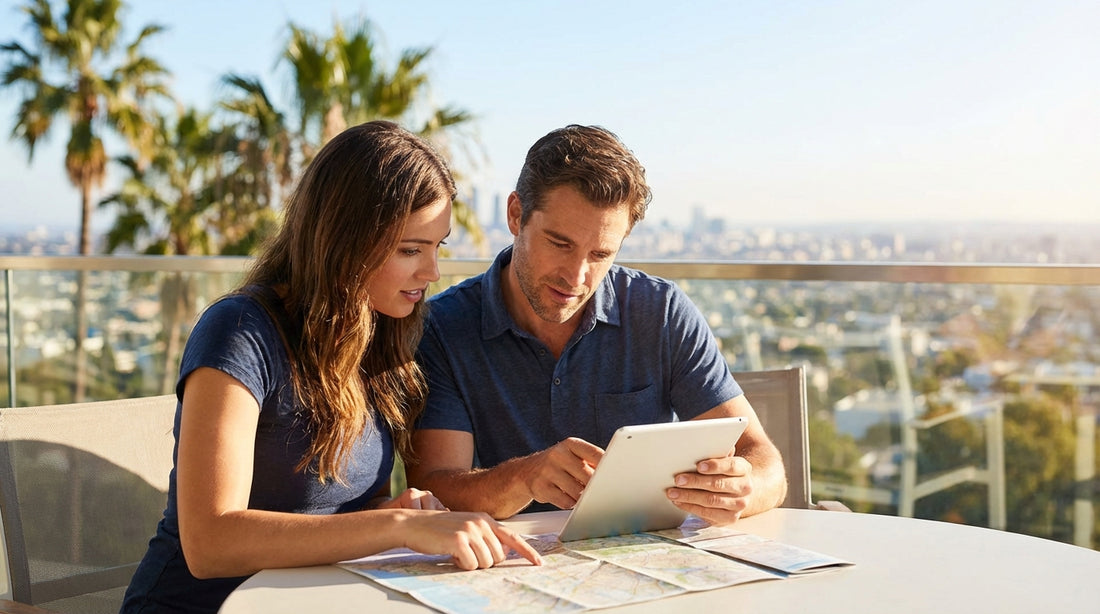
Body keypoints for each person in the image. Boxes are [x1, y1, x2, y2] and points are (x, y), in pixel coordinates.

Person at [122, 121, 540, 614]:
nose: (430, 273)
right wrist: (398, 527)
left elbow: (340, 518)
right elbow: (210, 542)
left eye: (436, 247)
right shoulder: (239, 332)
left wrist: (392, 510)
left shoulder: (380, 338)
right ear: (346, 240)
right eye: (410, 250)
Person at [406, 124, 787, 525]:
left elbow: (766, 465)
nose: (576, 276)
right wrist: (525, 478)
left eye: (601, 253)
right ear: (516, 215)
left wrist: (742, 489)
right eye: (560, 243)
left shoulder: (660, 313)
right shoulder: (442, 327)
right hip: (504, 563)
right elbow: (433, 491)